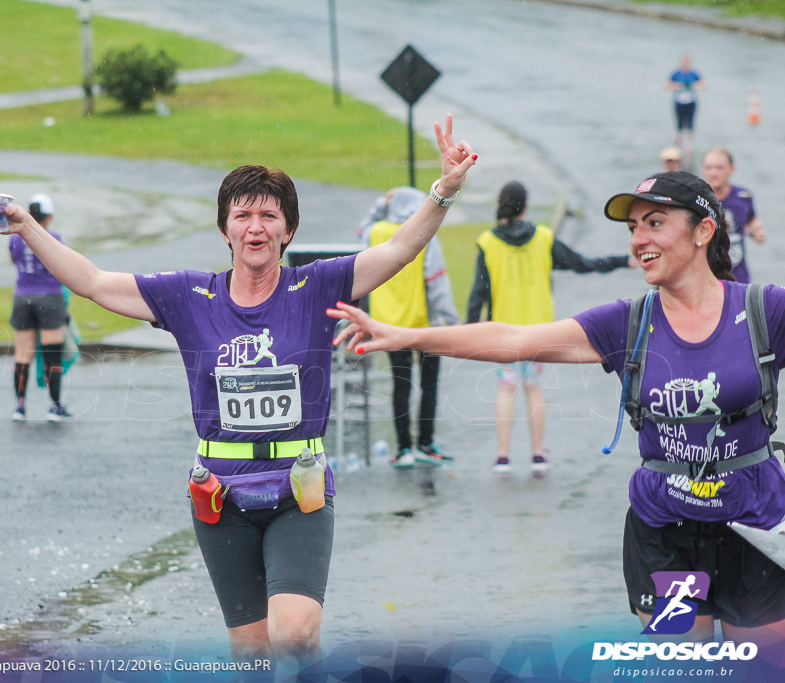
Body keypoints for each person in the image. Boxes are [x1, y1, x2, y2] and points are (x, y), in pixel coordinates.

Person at [0, 115, 477, 668]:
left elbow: (399, 251)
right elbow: (94, 282)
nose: (256, 226)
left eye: (269, 215)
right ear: (225, 229)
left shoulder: (316, 287)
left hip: (299, 490)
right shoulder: (189, 296)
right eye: (243, 215)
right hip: (220, 496)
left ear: (288, 229)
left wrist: (443, 192)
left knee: (294, 635)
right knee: (251, 650)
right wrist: (26, 225)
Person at [329, 170, 785, 648]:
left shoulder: (761, 312)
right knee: (681, 665)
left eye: (654, 223)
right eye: (633, 229)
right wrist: (411, 337)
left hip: (753, 524)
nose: (639, 240)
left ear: (703, 231)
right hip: (665, 533)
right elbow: (514, 339)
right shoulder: (629, 323)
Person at [467, 181, 632, 474]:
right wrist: (621, 260)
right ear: (526, 206)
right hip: (539, 332)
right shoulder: (543, 238)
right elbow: (582, 263)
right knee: (533, 388)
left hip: (502, 330)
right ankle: (538, 453)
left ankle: (503, 456)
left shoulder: (487, 242)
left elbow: (478, 292)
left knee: (506, 388)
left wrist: (468, 330)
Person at [358, 186, 460, 469]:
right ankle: (425, 444)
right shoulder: (423, 236)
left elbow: (361, 227)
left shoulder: (376, 234)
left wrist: (383, 200)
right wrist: (451, 321)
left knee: (400, 386)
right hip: (425, 325)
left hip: (389, 324)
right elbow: (436, 281)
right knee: (429, 385)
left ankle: (403, 448)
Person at [9, 193, 74, 422]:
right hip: (50, 298)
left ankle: (20, 406)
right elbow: (65, 266)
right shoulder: (55, 238)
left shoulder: (15, 238)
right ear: (47, 217)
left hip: (23, 296)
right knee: (52, 355)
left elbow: (13, 260)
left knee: (22, 354)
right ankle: (54, 406)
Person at [701, 145, 765, 284]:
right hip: (707, 278)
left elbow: (752, 222)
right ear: (703, 170)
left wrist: (757, 232)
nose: (713, 173)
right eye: (709, 168)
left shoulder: (743, 196)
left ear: (731, 169)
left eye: (719, 168)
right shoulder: (697, 199)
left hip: (739, 276)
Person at [666, 55, 705, 154]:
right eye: (684, 62)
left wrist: (694, 85)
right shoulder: (676, 73)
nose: (686, 64)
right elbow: (667, 85)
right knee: (679, 121)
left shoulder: (694, 73)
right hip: (678, 101)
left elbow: (703, 84)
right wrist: (676, 87)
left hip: (691, 101)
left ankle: (688, 145)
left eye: (687, 62)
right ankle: (678, 138)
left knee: (690, 122)